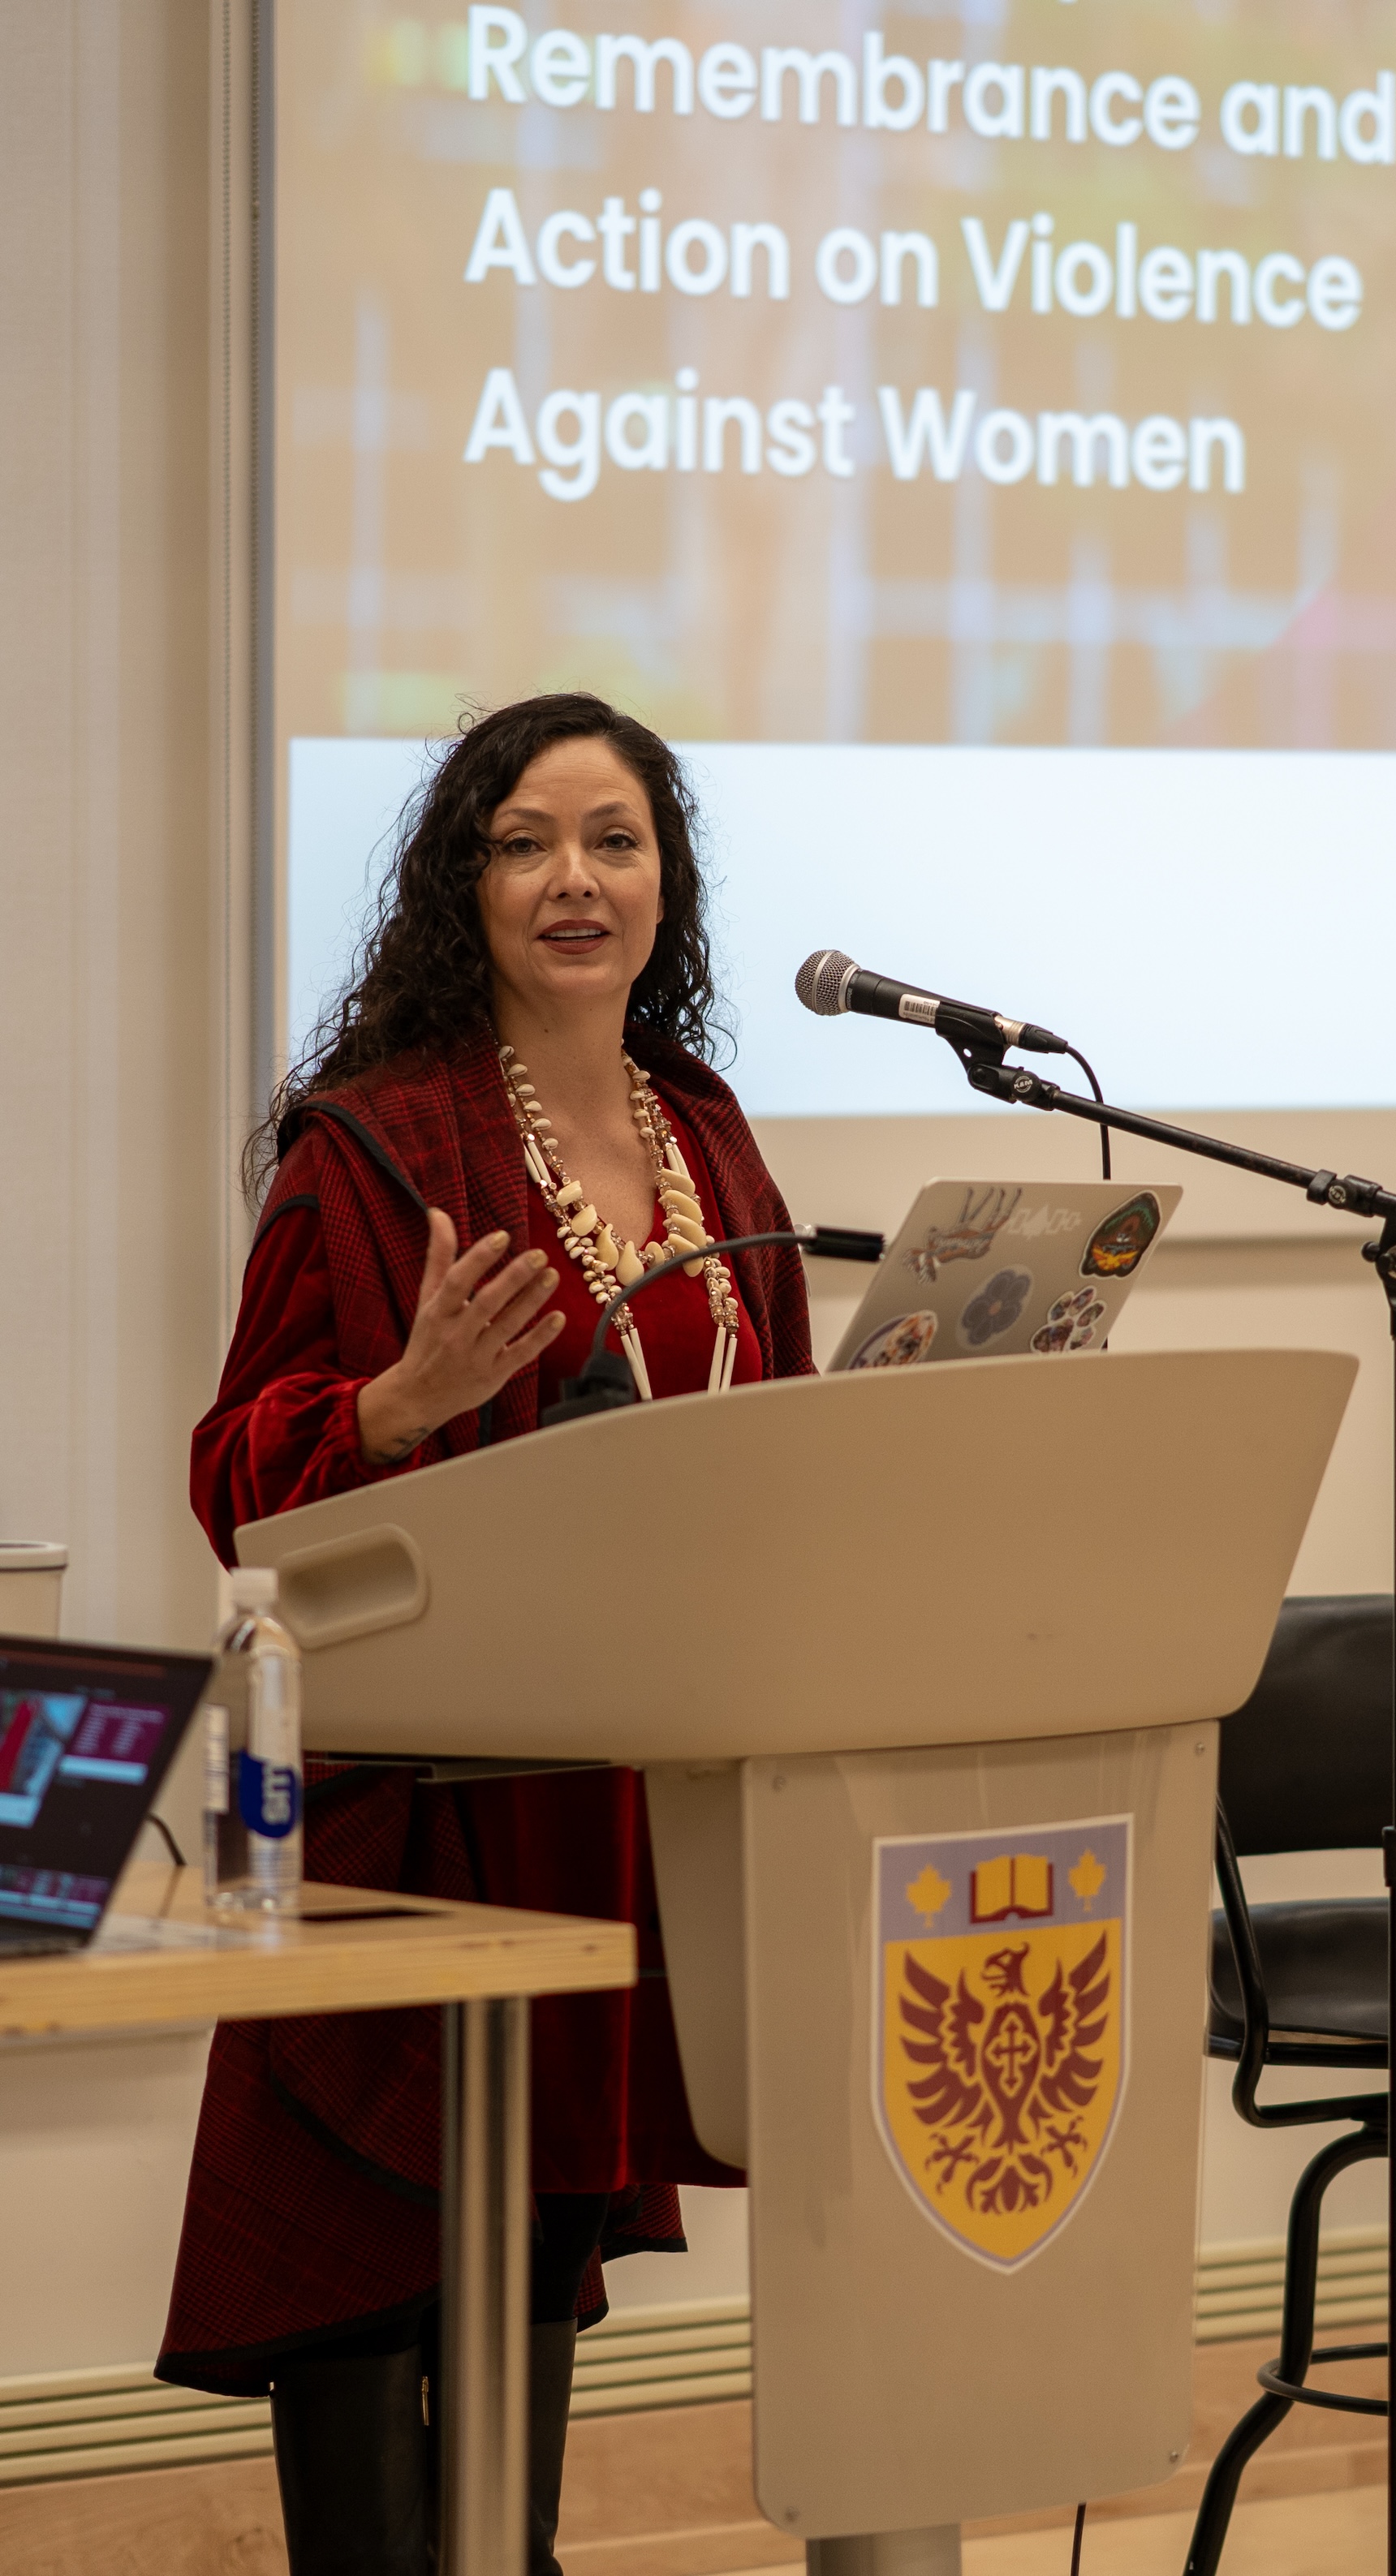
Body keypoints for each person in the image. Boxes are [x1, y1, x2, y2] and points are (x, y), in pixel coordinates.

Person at [157, 695, 813, 2575]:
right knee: (376, 2260)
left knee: (534, 2257)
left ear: (664, 879)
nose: (572, 880)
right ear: (465, 883)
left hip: (614, 1797)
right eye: (524, 842)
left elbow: (747, 1431)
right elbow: (232, 1475)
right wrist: (393, 1398)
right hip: (411, 1795)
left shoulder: (705, 1122)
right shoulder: (374, 1140)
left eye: (612, 838)